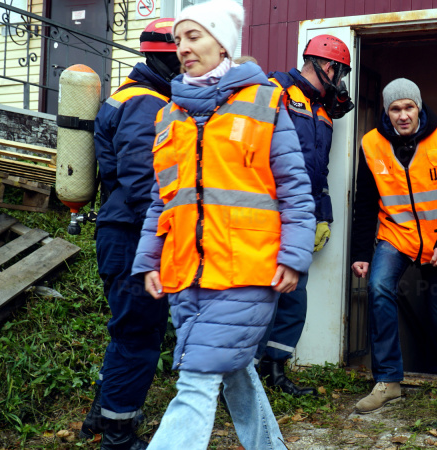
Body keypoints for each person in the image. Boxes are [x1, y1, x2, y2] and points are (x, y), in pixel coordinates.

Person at [131, 0, 315, 448]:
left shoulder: (264, 102)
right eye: (178, 39)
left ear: (223, 43)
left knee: (197, 378)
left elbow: (294, 188)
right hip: (186, 273)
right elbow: (162, 200)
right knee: (232, 369)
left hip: (247, 269)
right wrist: (148, 260)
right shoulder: (169, 116)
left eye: (193, 36)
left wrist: (294, 256)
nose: (182, 48)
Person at [82, 17, 181, 450]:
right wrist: (164, 237)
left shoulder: (132, 94)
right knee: (139, 334)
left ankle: (100, 417)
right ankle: (118, 437)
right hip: (132, 234)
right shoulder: (146, 102)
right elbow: (144, 182)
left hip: (121, 231)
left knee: (127, 331)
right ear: (168, 58)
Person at [350, 78, 437, 414]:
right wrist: (360, 253)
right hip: (396, 235)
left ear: (419, 107)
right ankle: (388, 381)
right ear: (386, 111)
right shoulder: (371, 144)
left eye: (409, 107)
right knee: (378, 287)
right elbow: (365, 203)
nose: (403, 115)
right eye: (395, 109)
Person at [256, 34, 354, 397]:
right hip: (268, 214)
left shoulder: (324, 113)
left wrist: (322, 215)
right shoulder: (275, 90)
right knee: (261, 297)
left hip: (301, 217)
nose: (341, 82)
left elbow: (319, 171)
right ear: (328, 67)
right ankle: (243, 377)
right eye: (341, 73)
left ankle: (275, 370)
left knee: (294, 296)